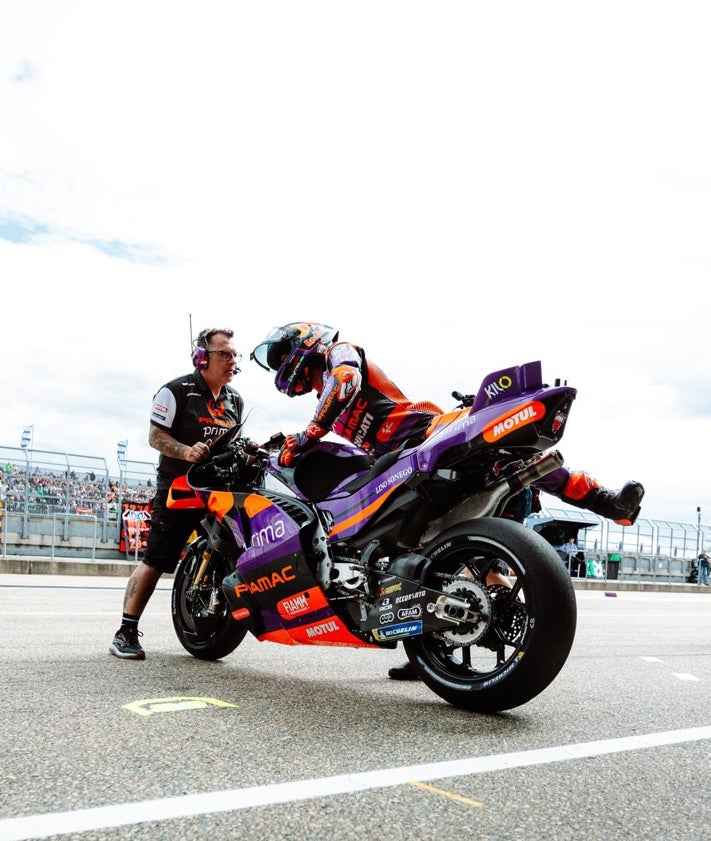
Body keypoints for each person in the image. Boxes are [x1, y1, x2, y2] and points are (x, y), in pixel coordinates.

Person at [250, 322, 645, 679]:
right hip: (397, 467)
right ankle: (432, 640)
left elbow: (347, 382)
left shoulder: (341, 352)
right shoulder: (324, 396)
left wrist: (308, 436)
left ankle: (610, 503)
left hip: (426, 433)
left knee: (522, 458)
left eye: (283, 356)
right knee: (453, 559)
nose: (282, 365)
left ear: (304, 342)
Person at [109, 328, 244, 659]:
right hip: (178, 490)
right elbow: (155, 436)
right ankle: (125, 631)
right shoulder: (174, 391)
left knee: (235, 553)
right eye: (224, 354)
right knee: (157, 560)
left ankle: (219, 620)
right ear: (202, 358)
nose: (232, 361)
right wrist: (186, 452)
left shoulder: (235, 400)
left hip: (218, 494)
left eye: (234, 355)